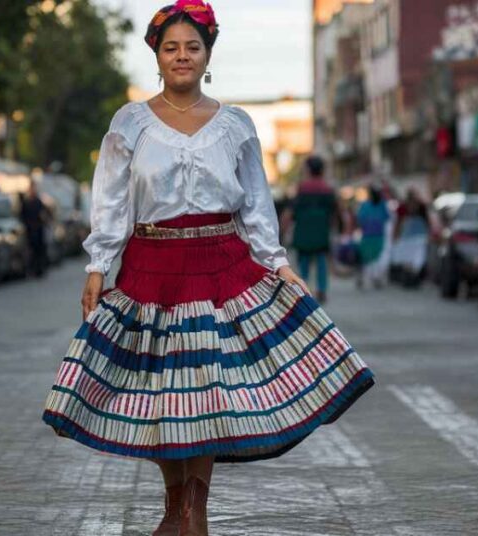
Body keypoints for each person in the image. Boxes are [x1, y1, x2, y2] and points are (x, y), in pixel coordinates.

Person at [41, 2, 375, 535]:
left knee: (202, 393)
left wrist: (279, 266)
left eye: (192, 47)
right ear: (157, 55)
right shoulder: (128, 123)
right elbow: (111, 204)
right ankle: (176, 508)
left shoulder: (235, 125)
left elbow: (257, 207)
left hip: (222, 267)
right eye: (171, 47)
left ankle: (194, 512)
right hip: (150, 271)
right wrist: (98, 266)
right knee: (162, 396)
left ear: (208, 55)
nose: (181, 56)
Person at [286, 155, 339, 304]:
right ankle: (321, 289)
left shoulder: (302, 188)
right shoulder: (327, 189)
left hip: (303, 231)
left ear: (309, 169)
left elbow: (290, 212)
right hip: (321, 231)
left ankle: (304, 289)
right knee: (321, 261)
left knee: (304, 261)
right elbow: (335, 213)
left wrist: (283, 230)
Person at [356, 185, 391, 290]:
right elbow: (360, 219)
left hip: (377, 236)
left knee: (376, 258)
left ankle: (376, 278)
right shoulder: (366, 205)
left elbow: (386, 217)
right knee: (366, 258)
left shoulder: (382, 205)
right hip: (368, 236)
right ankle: (364, 277)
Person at [19, 179, 51, 277]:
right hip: (30, 229)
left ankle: (39, 269)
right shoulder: (26, 202)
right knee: (31, 250)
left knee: (39, 250)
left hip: (38, 229)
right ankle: (32, 269)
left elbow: (44, 214)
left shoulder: (38, 201)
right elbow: (22, 215)